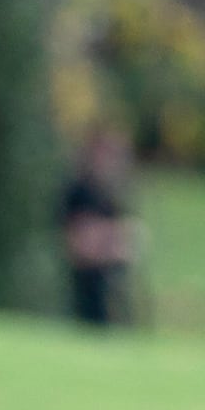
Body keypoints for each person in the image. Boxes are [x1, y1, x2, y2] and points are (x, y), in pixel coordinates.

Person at [59, 127, 139, 329]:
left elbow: (129, 239)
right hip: (85, 281)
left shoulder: (110, 196)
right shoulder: (79, 192)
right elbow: (81, 242)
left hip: (110, 279)